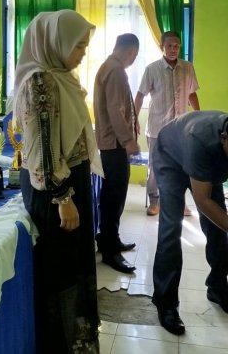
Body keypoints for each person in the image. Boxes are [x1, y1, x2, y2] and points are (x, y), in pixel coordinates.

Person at [11, 9, 101, 353]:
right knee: (59, 270)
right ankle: (56, 345)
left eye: (84, 46)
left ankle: (69, 340)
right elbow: (42, 148)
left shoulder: (61, 77)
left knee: (71, 264)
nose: (82, 53)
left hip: (67, 181)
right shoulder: (41, 81)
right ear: (55, 43)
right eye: (78, 46)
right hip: (54, 189)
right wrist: (63, 197)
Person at [151, 101, 228, 335]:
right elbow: (203, 202)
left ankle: (217, 287)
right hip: (170, 158)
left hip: (206, 164)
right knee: (171, 227)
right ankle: (166, 303)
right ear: (224, 139)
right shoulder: (200, 141)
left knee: (218, 227)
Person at [134, 31, 200, 216]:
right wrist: (134, 120)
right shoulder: (152, 69)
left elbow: (192, 93)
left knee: (181, 166)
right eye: (169, 46)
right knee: (156, 167)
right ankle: (155, 201)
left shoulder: (187, 68)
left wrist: (198, 116)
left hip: (181, 130)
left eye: (177, 46)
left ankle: (179, 202)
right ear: (162, 46)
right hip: (157, 129)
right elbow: (140, 95)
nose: (173, 49)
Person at [93, 33, 141, 274]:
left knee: (112, 195)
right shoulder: (116, 70)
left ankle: (109, 240)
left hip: (111, 142)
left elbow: (119, 107)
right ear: (131, 51)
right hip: (115, 144)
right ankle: (110, 251)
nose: (133, 59)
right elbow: (115, 108)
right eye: (135, 55)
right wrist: (128, 140)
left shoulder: (109, 67)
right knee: (114, 196)